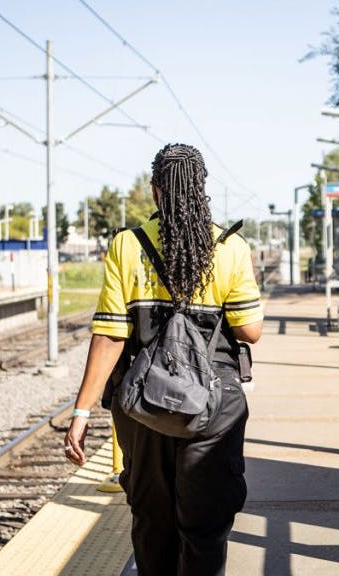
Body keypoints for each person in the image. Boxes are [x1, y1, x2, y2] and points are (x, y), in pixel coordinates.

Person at [63, 143, 263, 576]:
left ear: (155, 189)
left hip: (144, 407)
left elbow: (109, 335)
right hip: (213, 406)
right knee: (205, 527)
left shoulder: (127, 245)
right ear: (202, 188)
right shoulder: (230, 248)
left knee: (153, 523)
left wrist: (81, 412)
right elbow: (251, 331)